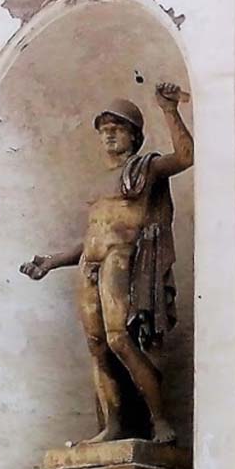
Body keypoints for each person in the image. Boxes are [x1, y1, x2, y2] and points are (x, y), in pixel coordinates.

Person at [20, 82, 194, 444]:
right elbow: (93, 236)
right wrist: (51, 262)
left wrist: (168, 109)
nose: (110, 135)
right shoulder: (98, 183)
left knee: (120, 340)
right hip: (90, 263)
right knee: (97, 345)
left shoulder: (145, 170)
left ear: (134, 136)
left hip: (123, 258)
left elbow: (185, 156)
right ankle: (112, 425)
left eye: (118, 129)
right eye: (105, 130)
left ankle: (159, 420)